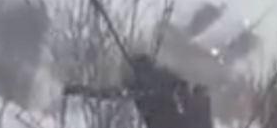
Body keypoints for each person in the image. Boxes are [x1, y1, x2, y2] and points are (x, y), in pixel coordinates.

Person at [64, 52, 212, 128]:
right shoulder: (139, 87)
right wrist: (81, 90)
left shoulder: (163, 80)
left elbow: (182, 89)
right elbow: (111, 93)